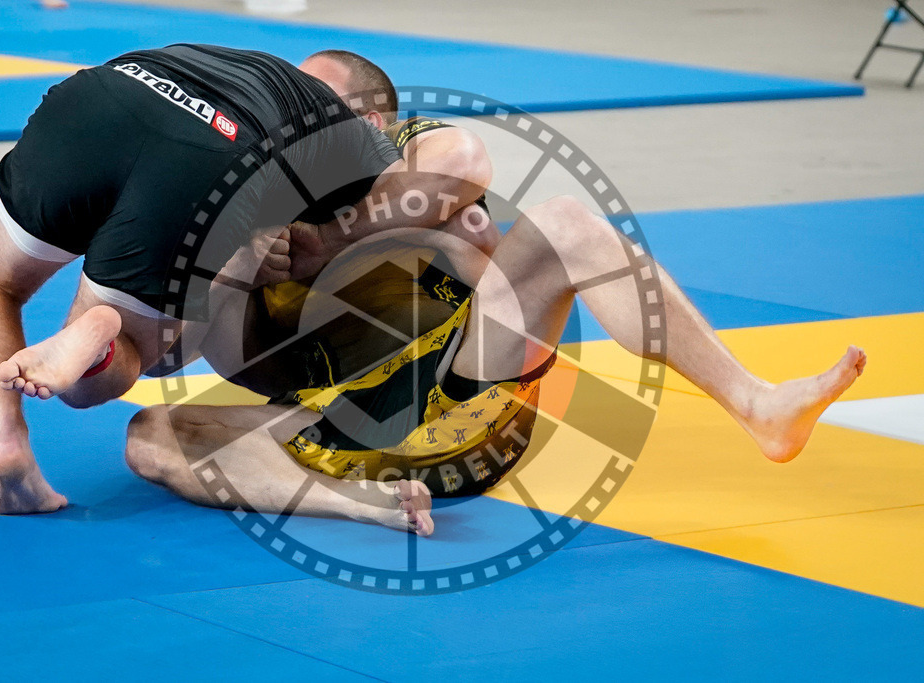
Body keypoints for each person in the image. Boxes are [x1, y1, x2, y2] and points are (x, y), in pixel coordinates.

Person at [122, 51, 867, 536]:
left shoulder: (411, 152)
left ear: (373, 121)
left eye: (308, 98)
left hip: (466, 392)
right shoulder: (260, 190)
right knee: (150, 435)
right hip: (347, 420)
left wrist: (333, 242)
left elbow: (464, 158)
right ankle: (353, 504)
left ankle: (758, 404)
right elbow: (209, 359)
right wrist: (238, 267)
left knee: (564, 222)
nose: (283, 110)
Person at [0, 44, 488, 515]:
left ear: (372, 121)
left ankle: (8, 433)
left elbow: (463, 177)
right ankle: (102, 335)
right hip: (213, 158)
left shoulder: (379, 147)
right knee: (137, 367)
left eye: (323, 91)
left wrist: (314, 244)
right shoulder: (319, 154)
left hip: (112, 86)